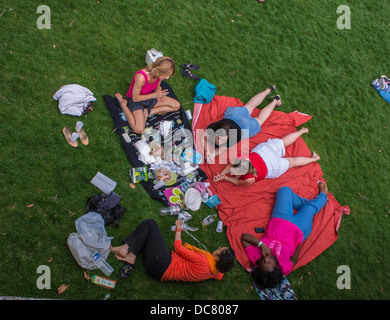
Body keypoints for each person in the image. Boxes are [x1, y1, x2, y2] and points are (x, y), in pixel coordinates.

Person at [241, 181, 328, 289]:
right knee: (311, 207)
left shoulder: (256, 257)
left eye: (264, 261)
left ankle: (303, 205)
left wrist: (261, 245)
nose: (266, 258)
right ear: (277, 267)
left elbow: (244, 238)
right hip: (299, 228)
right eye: (269, 262)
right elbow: (293, 260)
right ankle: (323, 195)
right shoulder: (284, 267)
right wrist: (297, 242)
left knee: (284, 190)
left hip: (279, 219)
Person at [110, 219, 236, 281]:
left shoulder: (203, 260)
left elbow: (179, 248)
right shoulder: (216, 271)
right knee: (149, 236)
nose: (218, 248)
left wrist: (178, 228)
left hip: (162, 263)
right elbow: (220, 276)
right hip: (160, 272)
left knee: (151, 224)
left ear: (217, 258)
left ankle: (125, 248)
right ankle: (131, 256)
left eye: (220, 250)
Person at [213, 127, 320, 186]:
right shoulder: (240, 160)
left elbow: (237, 182)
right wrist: (221, 175)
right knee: (283, 145)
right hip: (264, 153)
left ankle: (314, 158)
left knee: (292, 162)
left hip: (272, 167)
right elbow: (229, 166)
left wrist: (226, 178)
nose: (232, 170)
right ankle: (302, 132)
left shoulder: (249, 179)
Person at [201, 86, 281, 163]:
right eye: (218, 138)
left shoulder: (231, 137)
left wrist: (211, 154)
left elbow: (221, 149)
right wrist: (209, 153)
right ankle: (270, 91)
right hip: (235, 116)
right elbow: (203, 137)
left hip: (245, 126)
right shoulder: (213, 128)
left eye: (223, 140)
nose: (219, 142)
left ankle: (275, 100)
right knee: (250, 106)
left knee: (259, 119)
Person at [115, 56, 180, 134]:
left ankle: (148, 112)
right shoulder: (141, 77)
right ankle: (123, 105)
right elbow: (135, 98)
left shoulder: (159, 76)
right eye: (167, 75)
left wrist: (158, 91)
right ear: (160, 71)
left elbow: (157, 87)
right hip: (136, 101)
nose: (167, 77)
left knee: (176, 105)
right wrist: (154, 95)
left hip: (150, 97)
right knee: (139, 129)